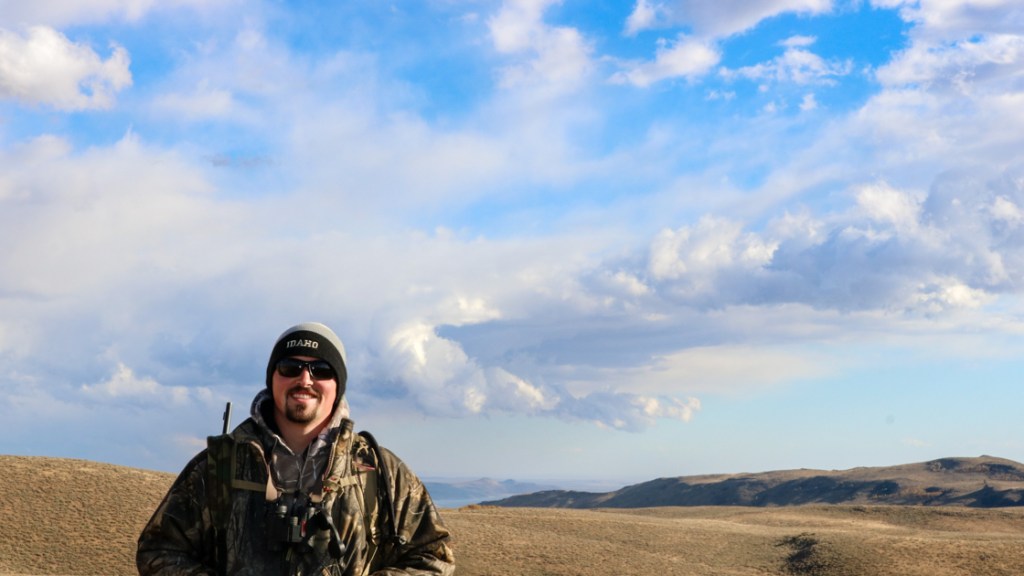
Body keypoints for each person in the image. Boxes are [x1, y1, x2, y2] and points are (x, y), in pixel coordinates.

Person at [137, 322, 455, 575]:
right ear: (272, 378)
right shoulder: (220, 465)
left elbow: (434, 557)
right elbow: (158, 550)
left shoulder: (378, 470)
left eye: (321, 370)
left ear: (338, 384)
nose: (305, 379)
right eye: (290, 367)